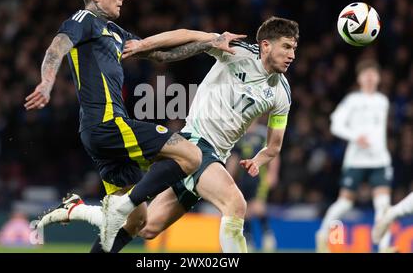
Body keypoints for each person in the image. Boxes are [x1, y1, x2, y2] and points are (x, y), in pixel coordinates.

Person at [24, 0, 243, 253]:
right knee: (192, 154)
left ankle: (80, 210)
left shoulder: (116, 33)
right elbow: (56, 48)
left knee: (138, 221)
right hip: (107, 124)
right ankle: (119, 206)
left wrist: (209, 43)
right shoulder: (83, 20)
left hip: (103, 134)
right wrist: (46, 83)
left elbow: (162, 55)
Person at [38, 16, 298, 253]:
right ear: (265, 45)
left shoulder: (281, 94)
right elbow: (186, 33)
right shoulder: (237, 51)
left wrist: (258, 161)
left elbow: (273, 146)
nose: (292, 54)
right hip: (196, 143)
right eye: (286, 47)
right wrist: (141, 45)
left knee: (146, 227)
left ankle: (79, 210)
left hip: (215, 155)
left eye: (294, 48)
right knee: (236, 205)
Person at [315, 59, 394, 253]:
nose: (369, 77)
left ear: (378, 77)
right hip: (356, 160)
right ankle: (323, 234)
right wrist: (355, 137)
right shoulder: (352, 101)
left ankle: (384, 247)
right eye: (365, 74)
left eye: (373, 73)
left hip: (379, 160)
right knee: (345, 203)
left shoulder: (383, 101)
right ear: (359, 78)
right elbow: (335, 124)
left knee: (383, 205)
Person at [226, 120, 280, 252]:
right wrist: (227, 177)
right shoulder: (239, 136)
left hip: (259, 177)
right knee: (244, 210)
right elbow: (234, 158)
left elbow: (273, 153)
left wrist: (273, 173)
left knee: (258, 207)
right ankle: (249, 239)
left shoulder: (262, 134)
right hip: (243, 179)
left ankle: (268, 235)